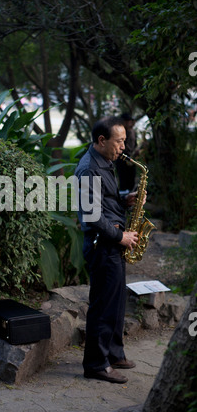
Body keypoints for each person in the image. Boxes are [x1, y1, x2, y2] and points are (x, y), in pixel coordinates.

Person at [75, 116, 142, 384]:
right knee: (103, 307)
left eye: (124, 141)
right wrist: (120, 236)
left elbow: (104, 203)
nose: (123, 147)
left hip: (111, 243)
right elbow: (91, 216)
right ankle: (96, 364)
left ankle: (113, 354)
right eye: (120, 141)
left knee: (116, 303)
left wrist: (126, 201)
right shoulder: (89, 169)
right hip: (103, 245)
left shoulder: (105, 162)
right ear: (102, 140)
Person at [115, 113, 138, 192]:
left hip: (131, 160)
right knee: (123, 183)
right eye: (128, 121)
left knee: (131, 182)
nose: (131, 123)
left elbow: (135, 144)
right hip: (122, 160)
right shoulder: (119, 133)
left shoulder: (133, 132)